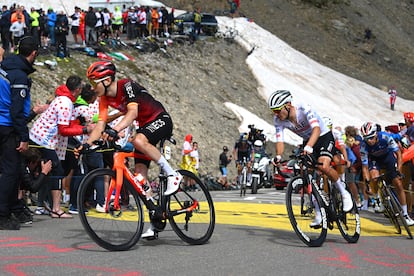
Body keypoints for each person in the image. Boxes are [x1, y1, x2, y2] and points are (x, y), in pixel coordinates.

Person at [81, 61, 182, 238]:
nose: (91, 88)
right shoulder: (104, 99)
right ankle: (156, 218)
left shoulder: (125, 85)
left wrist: (116, 129)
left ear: (106, 80)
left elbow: (133, 112)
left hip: (160, 119)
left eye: (93, 82)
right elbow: (100, 125)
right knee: (140, 180)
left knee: (138, 140)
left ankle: (172, 174)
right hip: (145, 127)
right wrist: (87, 144)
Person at [268, 90, 353, 227]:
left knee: (323, 166)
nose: (276, 114)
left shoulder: (303, 108)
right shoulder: (278, 120)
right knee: (307, 176)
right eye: (274, 111)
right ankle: (319, 213)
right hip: (308, 140)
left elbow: (317, 130)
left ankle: (344, 193)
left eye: (278, 110)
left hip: (323, 136)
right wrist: (278, 156)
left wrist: (308, 147)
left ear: (288, 105)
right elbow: (280, 140)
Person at [29, 75, 94, 219]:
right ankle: (56, 209)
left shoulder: (63, 98)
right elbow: (64, 129)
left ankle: (44, 205)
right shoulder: (65, 102)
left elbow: (68, 124)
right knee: (56, 170)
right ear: (77, 90)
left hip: (41, 137)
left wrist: (80, 122)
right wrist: (85, 130)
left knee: (46, 170)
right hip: (45, 140)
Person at [0, 36, 38, 229]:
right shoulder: (19, 76)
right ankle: (3, 214)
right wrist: (23, 137)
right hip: (7, 127)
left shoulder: (5, 68)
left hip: (4, 124)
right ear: (33, 53)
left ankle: (14, 207)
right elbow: (16, 111)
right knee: (11, 171)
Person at [359, 122, 414, 226]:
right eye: (366, 138)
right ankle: (378, 199)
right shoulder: (363, 145)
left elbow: (398, 155)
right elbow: (365, 167)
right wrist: (367, 183)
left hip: (388, 158)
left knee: (398, 184)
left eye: (371, 137)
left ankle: (405, 214)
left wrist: (399, 169)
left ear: (376, 134)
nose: (369, 141)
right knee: (374, 177)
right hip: (375, 160)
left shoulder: (386, 137)